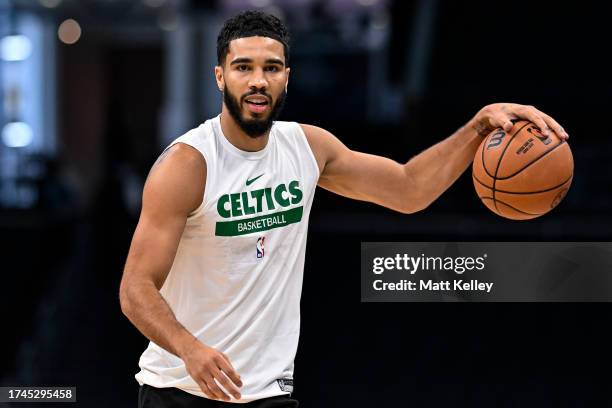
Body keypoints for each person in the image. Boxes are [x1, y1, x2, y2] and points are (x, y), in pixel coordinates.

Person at [119, 10, 569, 408]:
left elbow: (408, 189)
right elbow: (135, 287)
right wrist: (189, 348)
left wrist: (477, 126)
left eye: (271, 68)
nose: (258, 80)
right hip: (180, 393)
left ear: (286, 78)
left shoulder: (308, 148)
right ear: (220, 77)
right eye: (244, 67)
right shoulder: (189, 164)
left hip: (266, 394)